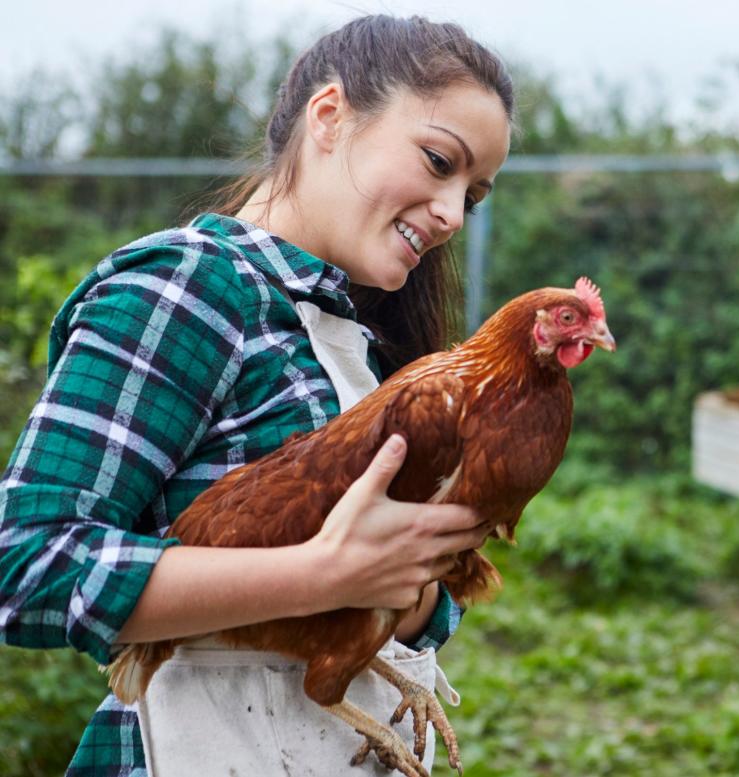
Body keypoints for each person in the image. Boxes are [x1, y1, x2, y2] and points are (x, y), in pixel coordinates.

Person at [0, 15, 511, 775]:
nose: (448, 212)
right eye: (439, 162)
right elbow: (28, 561)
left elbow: (403, 596)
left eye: (469, 196)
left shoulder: (350, 337)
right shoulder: (190, 289)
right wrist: (323, 574)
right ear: (330, 117)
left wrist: (412, 592)